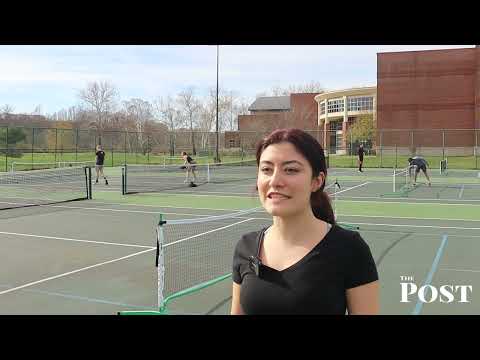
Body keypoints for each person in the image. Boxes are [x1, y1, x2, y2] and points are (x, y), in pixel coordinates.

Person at [231, 128, 379, 315]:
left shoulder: (349, 249)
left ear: (317, 181)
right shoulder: (246, 247)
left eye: (291, 170)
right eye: (266, 169)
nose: (275, 180)